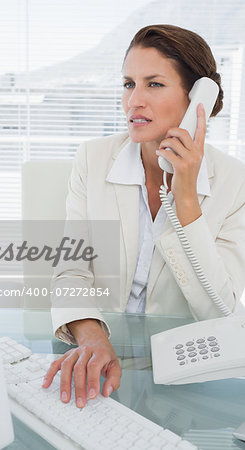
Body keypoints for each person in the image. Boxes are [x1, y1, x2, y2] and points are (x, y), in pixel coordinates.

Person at [42, 24, 245, 408]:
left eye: (153, 84)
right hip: (96, 359)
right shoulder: (93, 158)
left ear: (197, 97)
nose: (134, 100)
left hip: (184, 377)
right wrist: (92, 335)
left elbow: (218, 310)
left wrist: (185, 202)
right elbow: (70, 271)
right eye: (128, 84)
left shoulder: (235, 183)